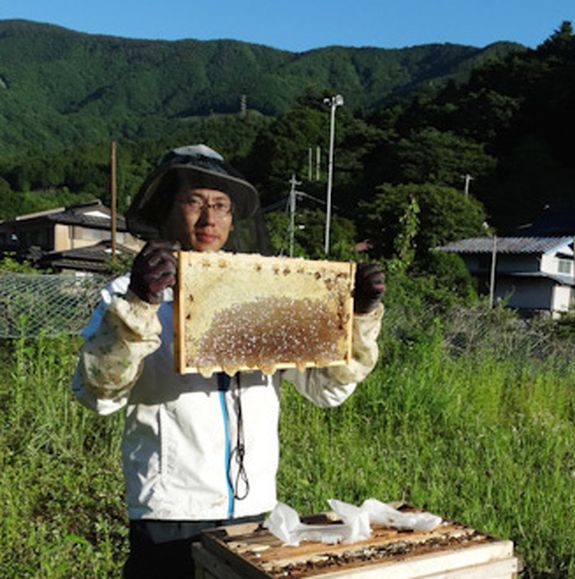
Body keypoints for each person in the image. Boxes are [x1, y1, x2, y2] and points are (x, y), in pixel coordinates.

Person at [70, 144, 385, 578]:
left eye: (220, 206)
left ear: (234, 218)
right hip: (171, 510)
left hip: (256, 509)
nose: (208, 219)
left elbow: (328, 388)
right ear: (168, 209)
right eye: (194, 203)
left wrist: (359, 317)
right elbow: (99, 393)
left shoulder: (264, 291)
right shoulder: (128, 292)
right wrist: (141, 304)